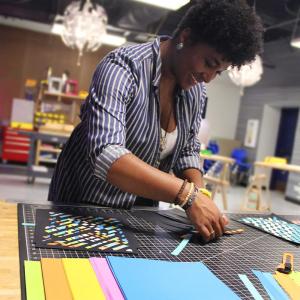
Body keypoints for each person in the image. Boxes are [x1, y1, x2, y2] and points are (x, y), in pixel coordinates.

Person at [48, 0, 264, 242]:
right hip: (83, 208)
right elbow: (106, 154)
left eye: (218, 72)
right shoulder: (123, 67)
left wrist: (200, 192)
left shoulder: (195, 91)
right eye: (209, 64)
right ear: (185, 37)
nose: (208, 78)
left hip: (137, 213)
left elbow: (187, 150)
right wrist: (187, 195)